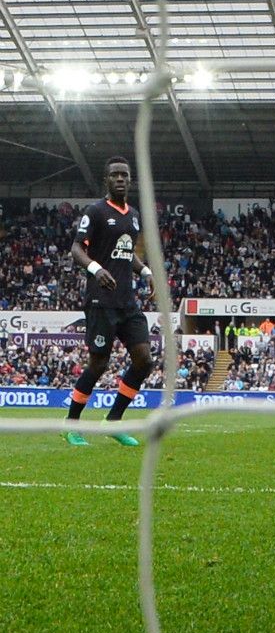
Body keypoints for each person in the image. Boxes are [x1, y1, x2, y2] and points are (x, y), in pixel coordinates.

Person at [63, 156, 156, 447]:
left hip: (127, 301)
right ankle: (70, 424)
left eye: (124, 175)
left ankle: (112, 422)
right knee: (99, 364)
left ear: (130, 180)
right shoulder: (96, 211)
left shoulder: (134, 215)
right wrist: (96, 268)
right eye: (114, 174)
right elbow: (76, 249)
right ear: (106, 180)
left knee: (144, 360)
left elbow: (126, 252)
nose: (120, 179)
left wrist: (146, 270)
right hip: (101, 300)